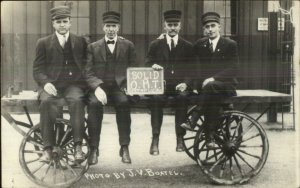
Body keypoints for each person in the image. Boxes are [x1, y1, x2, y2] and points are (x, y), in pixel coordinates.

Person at [33, 6, 87, 162]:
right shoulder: (43, 43)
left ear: (70, 23)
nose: (62, 25)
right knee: (46, 102)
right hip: (51, 85)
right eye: (58, 22)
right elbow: (37, 69)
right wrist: (45, 83)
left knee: (77, 101)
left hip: (73, 85)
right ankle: (47, 149)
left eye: (65, 21)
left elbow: (89, 62)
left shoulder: (80, 41)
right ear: (53, 24)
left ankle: (77, 147)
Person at [85, 11, 137, 164]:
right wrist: (96, 87)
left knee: (123, 103)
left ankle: (125, 147)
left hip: (118, 87)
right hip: (100, 87)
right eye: (108, 26)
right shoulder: (93, 47)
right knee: (94, 105)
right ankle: (94, 148)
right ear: (103, 27)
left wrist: (128, 86)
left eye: (114, 26)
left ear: (118, 27)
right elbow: (88, 72)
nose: (111, 29)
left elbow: (133, 69)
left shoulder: (128, 46)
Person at [181, 12, 239, 148]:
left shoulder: (230, 44)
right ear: (204, 30)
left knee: (210, 86)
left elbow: (234, 68)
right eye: (207, 27)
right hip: (208, 88)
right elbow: (187, 55)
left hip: (226, 85)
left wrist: (213, 78)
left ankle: (194, 119)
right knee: (211, 98)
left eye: (213, 26)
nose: (210, 29)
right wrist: (162, 39)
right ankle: (210, 138)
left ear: (219, 27)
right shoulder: (200, 44)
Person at [146, 10, 195, 155]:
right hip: (161, 85)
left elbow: (192, 69)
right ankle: (155, 139)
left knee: (183, 97)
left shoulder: (187, 46)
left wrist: (186, 83)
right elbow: (148, 62)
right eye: (170, 25)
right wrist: (152, 66)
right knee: (155, 99)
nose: (173, 28)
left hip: (180, 85)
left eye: (175, 24)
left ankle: (180, 138)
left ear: (180, 26)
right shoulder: (155, 44)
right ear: (164, 26)